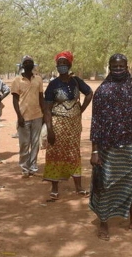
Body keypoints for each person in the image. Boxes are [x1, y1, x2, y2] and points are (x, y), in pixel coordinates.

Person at [89, 53, 132, 241]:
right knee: (106, 184)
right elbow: (96, 123)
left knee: (131, 184)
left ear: (127, 67)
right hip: (108, 147)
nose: (118, 70)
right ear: (109, 67)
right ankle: (104, 223)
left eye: (121, 66)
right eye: (114, 67)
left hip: (130, 145)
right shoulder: (102, 92)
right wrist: (95, 151)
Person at [43, 51, 93, 200]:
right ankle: (54, 188)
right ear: (56, 66)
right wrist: (50, 129)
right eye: (59, 64)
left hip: (74, 125)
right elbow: (47, 109)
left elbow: (89, 93)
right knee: (55, 152)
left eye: (65, 64)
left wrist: (81, 110)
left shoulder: (76, 81)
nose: (62, 66)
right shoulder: (53, 84)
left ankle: (78, 187)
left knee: (74, 152)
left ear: (70, 65)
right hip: (58, 123)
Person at [11, 55, 44, 176]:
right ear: (23, 66)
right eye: (26, 62)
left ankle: (33, 166)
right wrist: (19, 116)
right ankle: (25, 167)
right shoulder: (17, 80)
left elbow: (41, 98)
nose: (28, 64)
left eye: (30, 62)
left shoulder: (38, 79)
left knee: (35, 143)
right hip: (23, 117)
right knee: (24, 144)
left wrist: (44, 114)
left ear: (33, 65)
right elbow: (15, 100)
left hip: (37, 115)